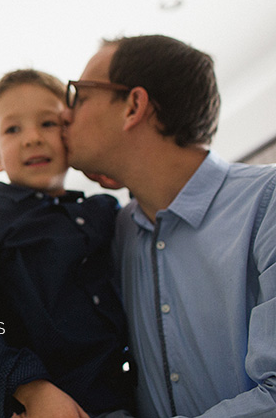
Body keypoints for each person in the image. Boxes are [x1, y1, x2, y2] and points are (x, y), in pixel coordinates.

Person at [62, 34, 276, 418]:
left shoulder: (269, 202)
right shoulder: (115, 231)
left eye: (79, 95)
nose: (64, 114)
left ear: (133, 106)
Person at [0, 69, 134, 418]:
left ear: (71, 135)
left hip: (127, 400)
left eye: (48, 123)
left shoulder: (103, 212)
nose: (32, 138)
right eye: (13, 129)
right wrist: (29, 386)